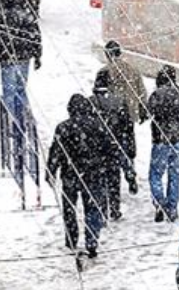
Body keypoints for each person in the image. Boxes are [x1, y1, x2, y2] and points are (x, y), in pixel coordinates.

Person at [48, 94, 114, 257]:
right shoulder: (98, 126)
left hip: (70, 173)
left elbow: (56, 151)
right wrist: (108, 168)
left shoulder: (63, 127)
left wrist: (51, 170)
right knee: (92, 208)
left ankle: (71, 237)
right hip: (93, 173)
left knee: (70, 207)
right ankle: (92, 240)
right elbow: (108, 150)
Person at [0, 0, 42, 133]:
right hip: (25, 58)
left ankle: (11, 122)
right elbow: (37, 38)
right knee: (21, 90)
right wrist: (37, 56)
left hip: (7, 60)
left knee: (9, 92)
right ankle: (25, 120)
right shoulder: (28, 17)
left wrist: (0, 55)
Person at [90, 69, 138, 222]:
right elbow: (128, 127)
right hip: (115, 144)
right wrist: (130, 146)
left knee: (99, 179)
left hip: (97, 147)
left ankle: (102, 208)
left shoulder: (90, 102)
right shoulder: (119, 100)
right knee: (113, 177)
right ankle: (115, 208)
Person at [148, 65, 179, 222]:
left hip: (160, 140)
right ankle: (172, 208)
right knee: (175, 175)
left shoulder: (156, 95)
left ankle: (160, 202)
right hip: (178, 141)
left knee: (156, 174)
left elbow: (149, 112)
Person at [102, 40, 149, 124]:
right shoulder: (133, 70)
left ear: (106, 54)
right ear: (120, 53)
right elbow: (142, 93)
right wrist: (142, 110)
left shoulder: (104, 72)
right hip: (131, 114)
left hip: (112, 116)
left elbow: (100, 96)